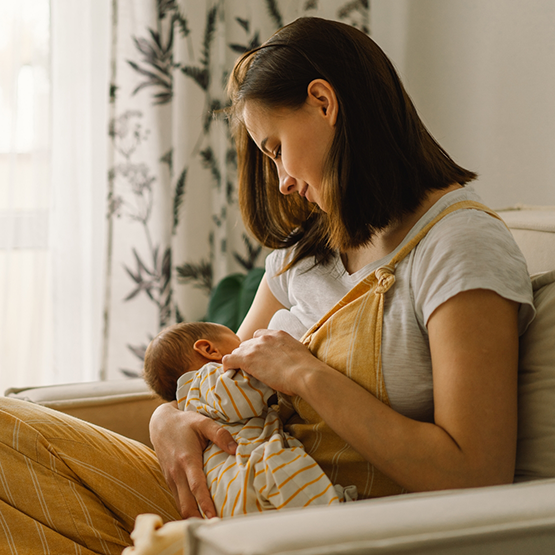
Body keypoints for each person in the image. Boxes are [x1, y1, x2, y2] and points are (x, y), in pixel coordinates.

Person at [0, 16, 535, 554]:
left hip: (325, 521)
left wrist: (307, 375)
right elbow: (224, 382)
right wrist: (168, 417)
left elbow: (476, 473)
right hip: (233, 499)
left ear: (324, 102)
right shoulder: (305, 248)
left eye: (276, 147)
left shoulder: (459, 245)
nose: (281, 180)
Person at [143, 322, 349, 517]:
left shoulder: (192, 402)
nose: (247, 345)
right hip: (252, 468)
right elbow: (240, 397)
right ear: (209, 349)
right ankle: (337, 516)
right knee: (299, 488)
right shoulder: (206, 378)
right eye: (240, 341)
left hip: (228, 491)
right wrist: (275, 366)